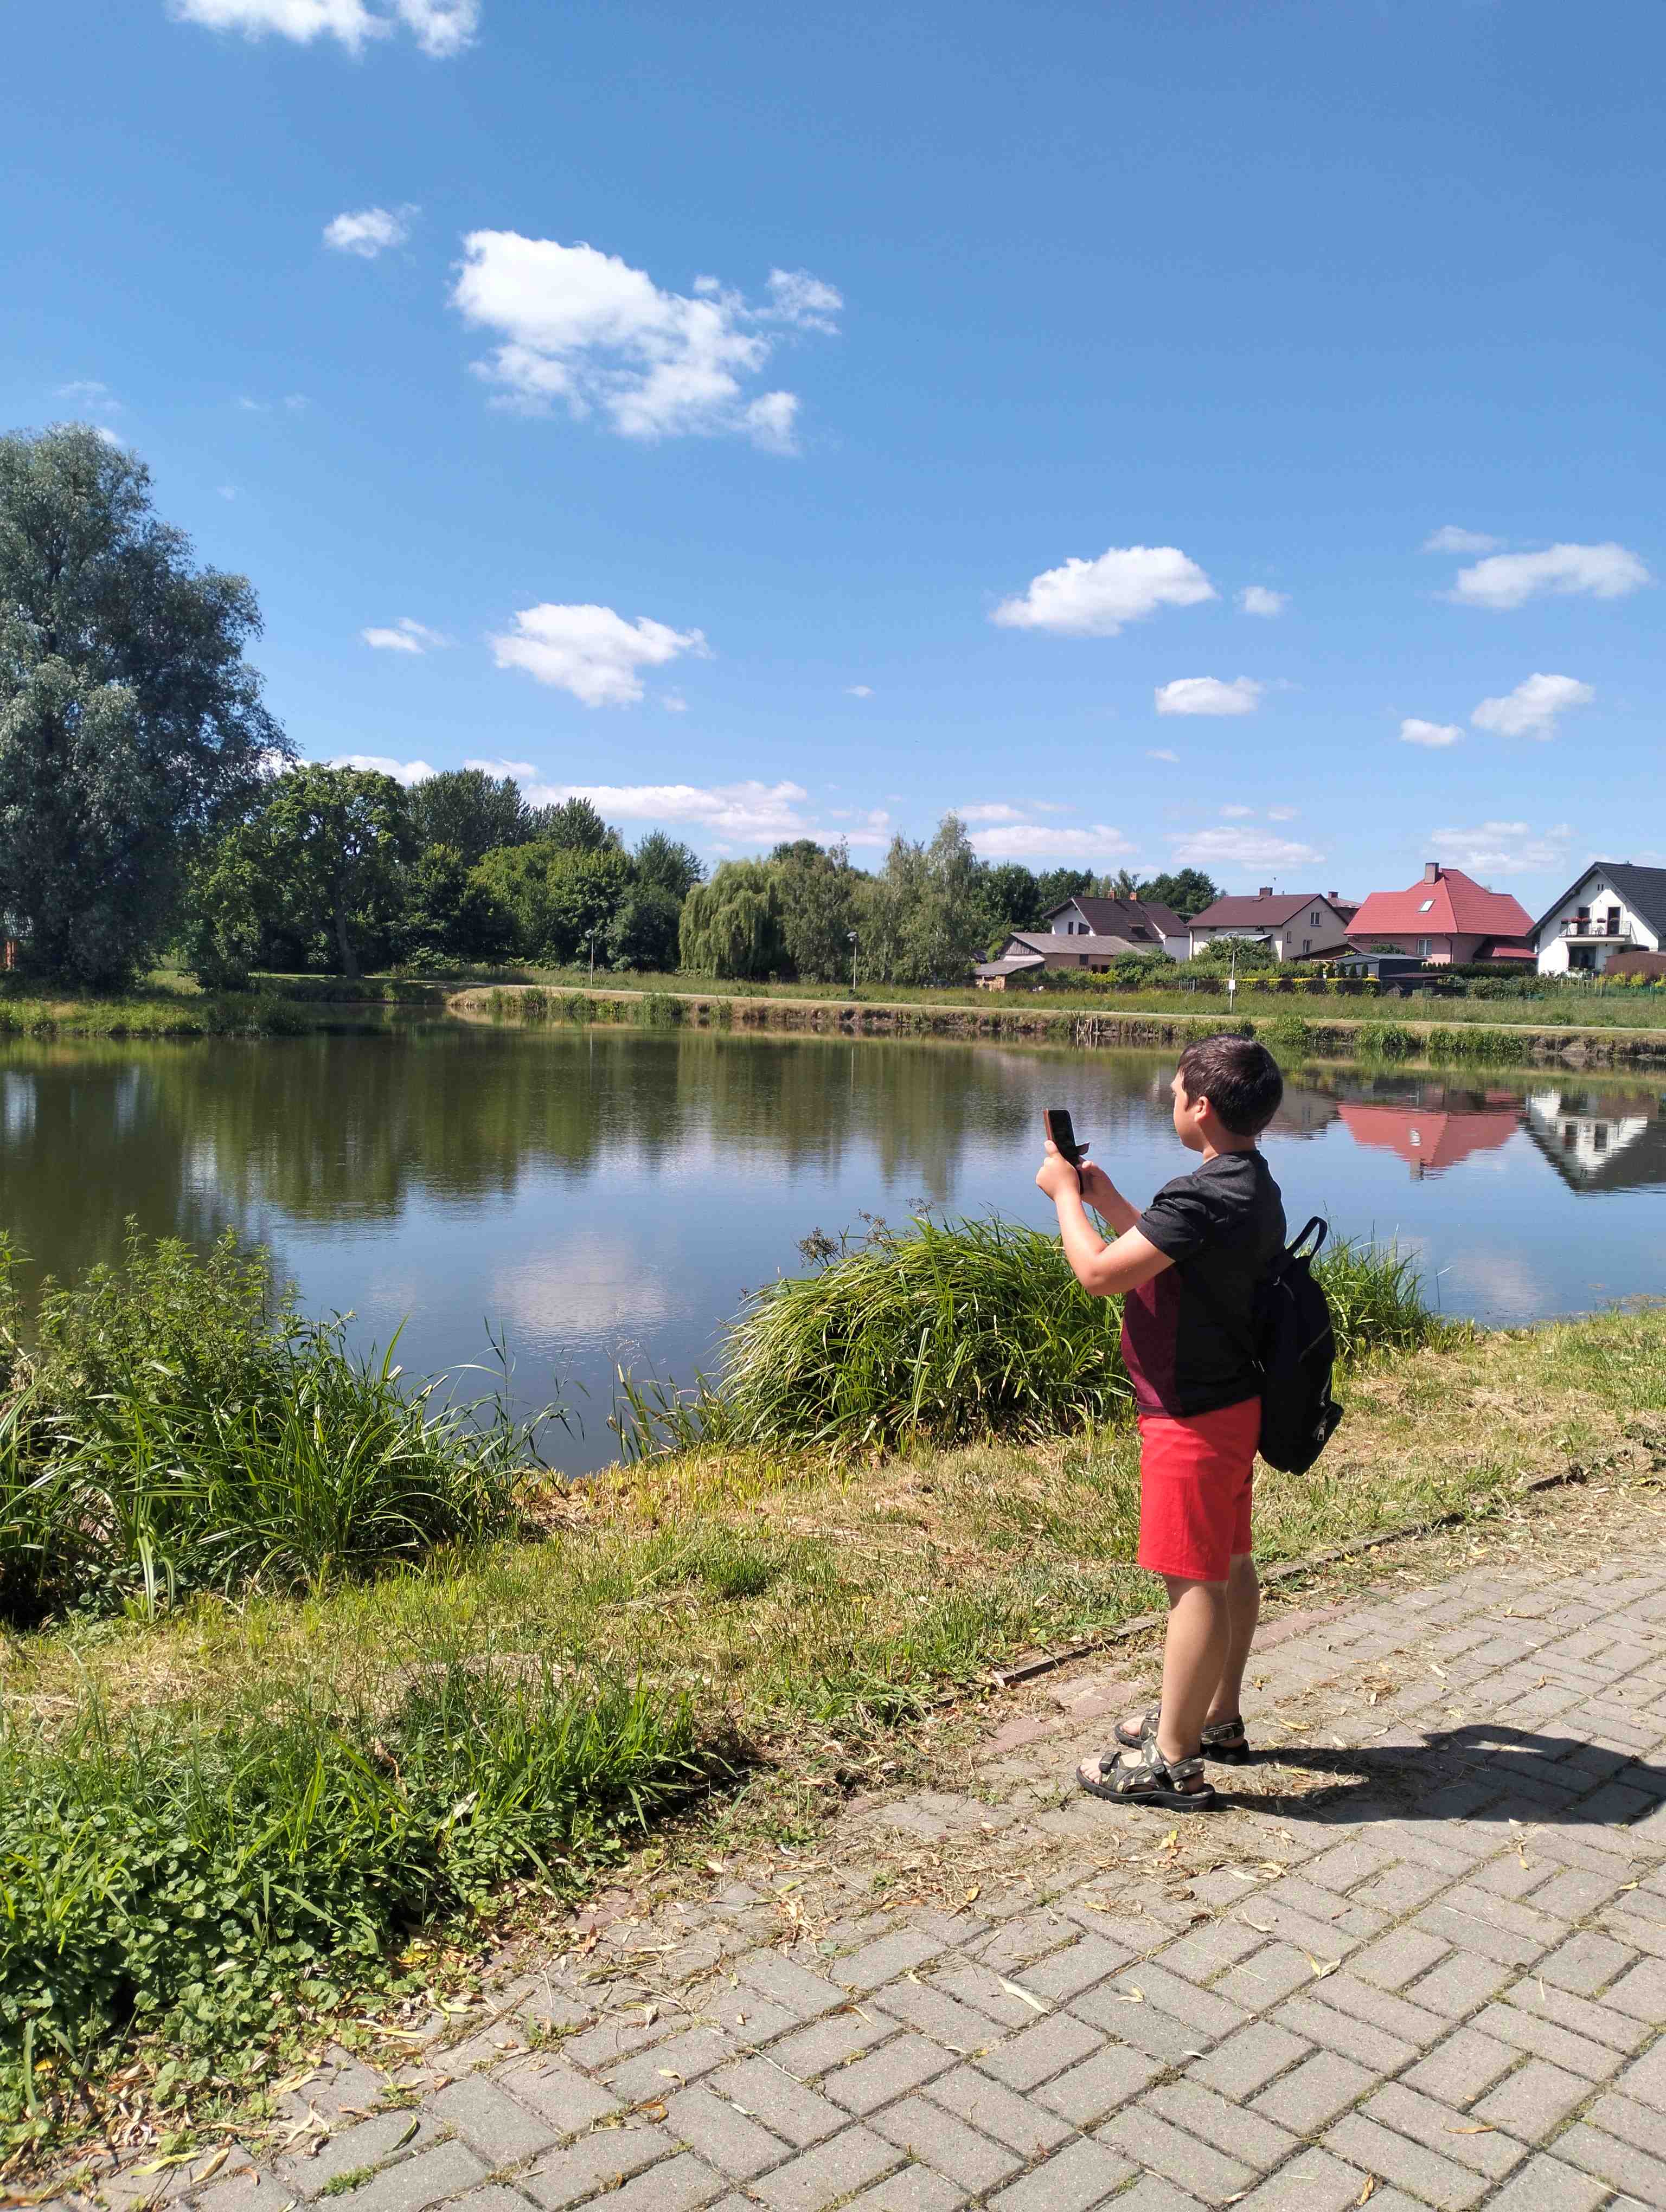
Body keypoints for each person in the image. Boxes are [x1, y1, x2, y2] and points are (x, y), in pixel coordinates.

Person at [1035, 1034, 1286, 1812]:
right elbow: (1176, 1254)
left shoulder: (1202, 1193)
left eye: (1176, 1092)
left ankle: (1172, 1762)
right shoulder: (1248, 1181)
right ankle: (1217, 1719)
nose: (1171, 1101)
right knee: (1231, 1560)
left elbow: (1099, 1275)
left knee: (1194, 1581)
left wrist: (1066, 1199)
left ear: (1201, 1107)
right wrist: (1110, 1200)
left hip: (1190, 1413)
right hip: (1233, 1403)